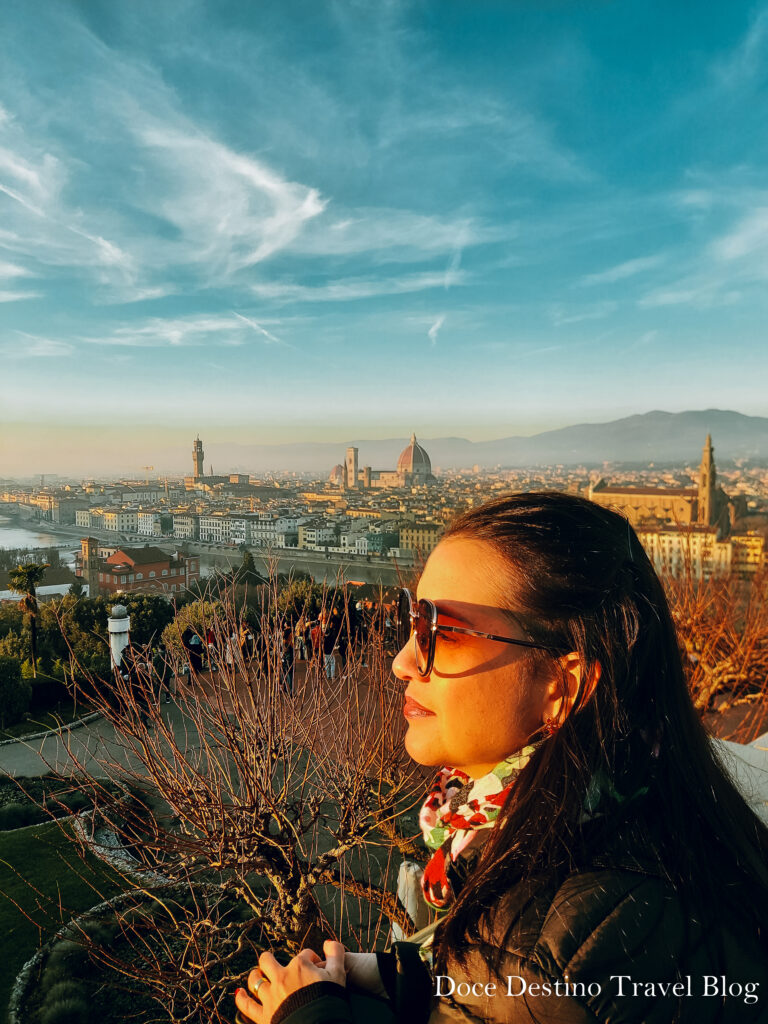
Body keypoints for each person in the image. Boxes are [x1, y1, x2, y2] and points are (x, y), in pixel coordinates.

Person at [235, 492, 768, 1024]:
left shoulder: (554, 948)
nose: (401, 661)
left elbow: (528, 984)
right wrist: (403, 978)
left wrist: (309, 1015)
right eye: (412, 618)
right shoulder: (624, 803)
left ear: (563, 685)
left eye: (437, 631)